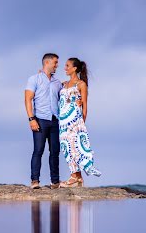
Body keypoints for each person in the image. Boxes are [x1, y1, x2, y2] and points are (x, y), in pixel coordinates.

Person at [59, 58, 101, 187]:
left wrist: (81, 124)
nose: (65, 68)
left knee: (75, 147)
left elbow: (85, 106)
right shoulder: (64, 84)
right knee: (66, 147)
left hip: (75, 122)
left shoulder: (81, 84)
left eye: (67, 66)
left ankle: (74, 177)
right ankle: (78, 178)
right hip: (63, 122)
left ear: (74, 68)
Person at [25, 53, 62, 189]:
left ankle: (55, 182)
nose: (57, 65)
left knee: (55, 152)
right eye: (55, 63)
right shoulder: (34, 79)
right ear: (47, 63)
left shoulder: (57, 83)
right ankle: (35, 181)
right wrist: (31, 119)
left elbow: (64, 99)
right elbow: (28, 99)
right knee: (38, 150)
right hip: (40, 119)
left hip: (54, 120)